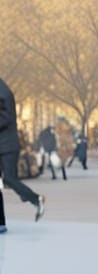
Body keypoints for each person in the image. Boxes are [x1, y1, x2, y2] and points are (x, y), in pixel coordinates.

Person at [0, 76, 45, 231]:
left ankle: (36, 199)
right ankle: (1, 223)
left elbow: (6, 117)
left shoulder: (3, 92)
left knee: (10, 179)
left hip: (7, 146)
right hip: (3, 145)